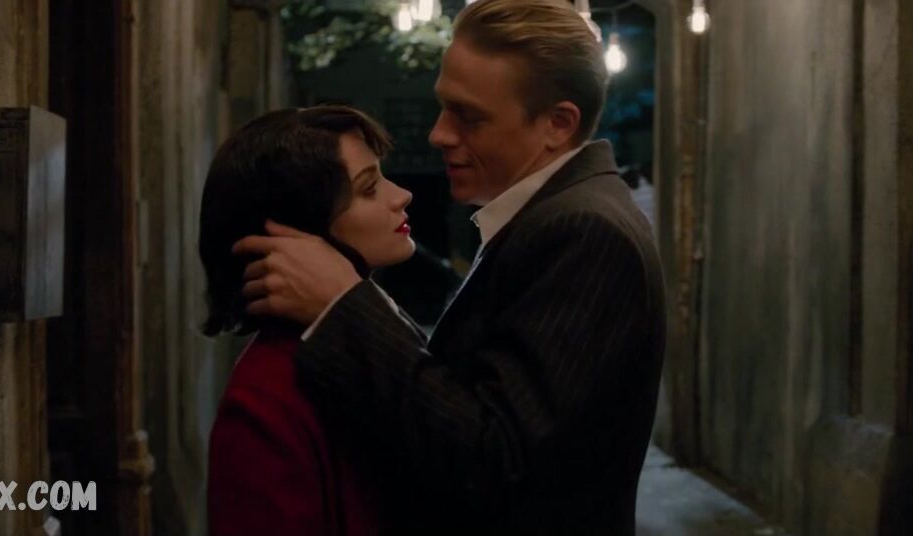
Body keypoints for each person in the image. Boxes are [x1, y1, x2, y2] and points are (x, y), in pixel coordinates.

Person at [233, 0, 666, 533]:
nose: (439, 133)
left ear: (557, 124)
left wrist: (343, 306)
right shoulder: (549, 218)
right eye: (443, 107)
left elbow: (496, 459)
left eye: (469, 116)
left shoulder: (583, 230)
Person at [199, 105, 416, 536]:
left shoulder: (363, 344)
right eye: (369, 188)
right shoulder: (264, 401)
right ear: (302, 230)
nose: (401, 195)